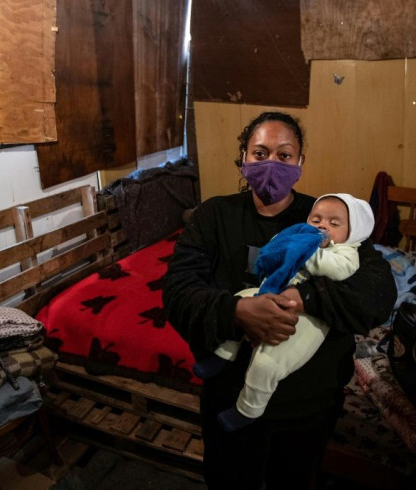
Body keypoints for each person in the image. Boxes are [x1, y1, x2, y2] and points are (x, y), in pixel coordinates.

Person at [162, 111, 396, 489]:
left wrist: (302, 297)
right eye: (260, 153)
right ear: (243, 158)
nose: (271, 163)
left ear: (300, 162)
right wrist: (236, 312)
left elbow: (377, 293)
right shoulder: (212, 217)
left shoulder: (325, 217)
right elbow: (177, 293)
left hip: (307, 406)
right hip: (228, 398)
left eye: (284, 155)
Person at [193, 194, 375, 433]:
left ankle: (248, 408)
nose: (322, 226)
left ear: (352, 233)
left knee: (269, 361)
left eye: (334, 223)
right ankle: (223, 354)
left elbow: (338, 270)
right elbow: (278, 247)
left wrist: (306, 252)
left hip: (308, 318)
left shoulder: (346, 251)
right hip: (273, 291)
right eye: (316, 219)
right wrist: (287, 243)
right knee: (239, 301)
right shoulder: (301, 235)